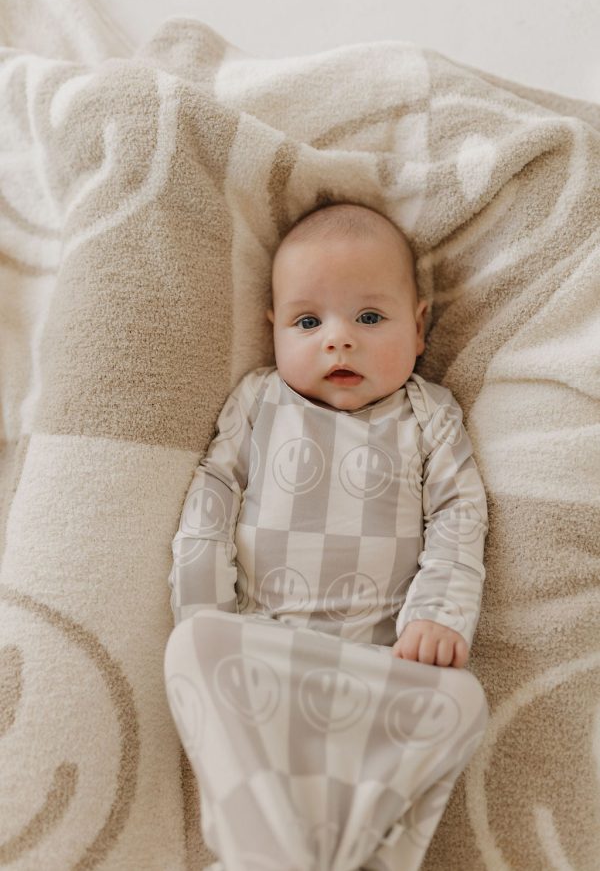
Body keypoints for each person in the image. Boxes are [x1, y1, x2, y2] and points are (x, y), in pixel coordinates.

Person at [164, 202, 489, 871]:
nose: (337, 339)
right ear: (274, 330)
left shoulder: (427, 416)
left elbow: (460, 513)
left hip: (380, 674)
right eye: (308, 322)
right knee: (189, 645)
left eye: (369, 318)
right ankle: (317, 853)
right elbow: (211, 497)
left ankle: (283, 855)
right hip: (263, 659)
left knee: (463, 700)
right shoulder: (260, 403)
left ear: (419, 327)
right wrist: (206, 609)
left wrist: (437, 614)